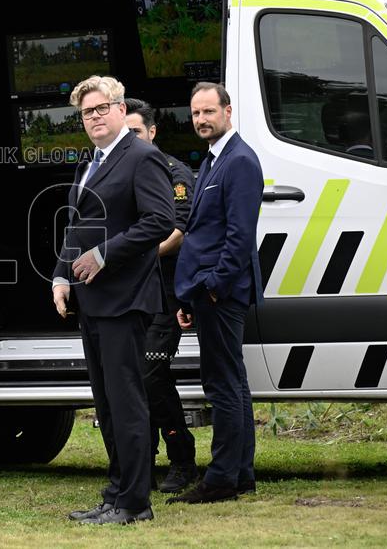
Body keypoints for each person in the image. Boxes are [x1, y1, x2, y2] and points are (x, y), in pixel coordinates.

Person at [53, 77, 174, 525]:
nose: (95, 117)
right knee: (105, 406)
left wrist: (105, 254)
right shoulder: (93, 161)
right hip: (92, 300)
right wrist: (61, 275)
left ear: (122, 110)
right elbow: (78, 225)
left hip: (126, 300)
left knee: (126, 404)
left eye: (102, 108)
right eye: (87, 112)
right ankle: (116, 493)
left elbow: (160, 221)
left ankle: (136, 503)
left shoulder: (142, 157)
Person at [169, 83, 264, 505]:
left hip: (220, 293)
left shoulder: (239, 160)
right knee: (234, 382)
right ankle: (241, 474)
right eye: (195, 114)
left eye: (209, 111)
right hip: (205, 293)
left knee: (222, 385)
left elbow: (239, 237)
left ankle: (221, 478)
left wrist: (212, 287)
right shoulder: (213, 159)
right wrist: (192, 295)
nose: (201, 120)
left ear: (228, 110)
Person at [124, 98, 198, 494]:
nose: (130, 138)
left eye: (135, 132)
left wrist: (133, 254)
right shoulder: (117, 170)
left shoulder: (174, 172)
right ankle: (140, 462)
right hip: (128, 294)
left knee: (152, 373)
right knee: (132, 376)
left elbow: (179, 229)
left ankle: (182, 458)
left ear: (152, 132)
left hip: (165, 294)